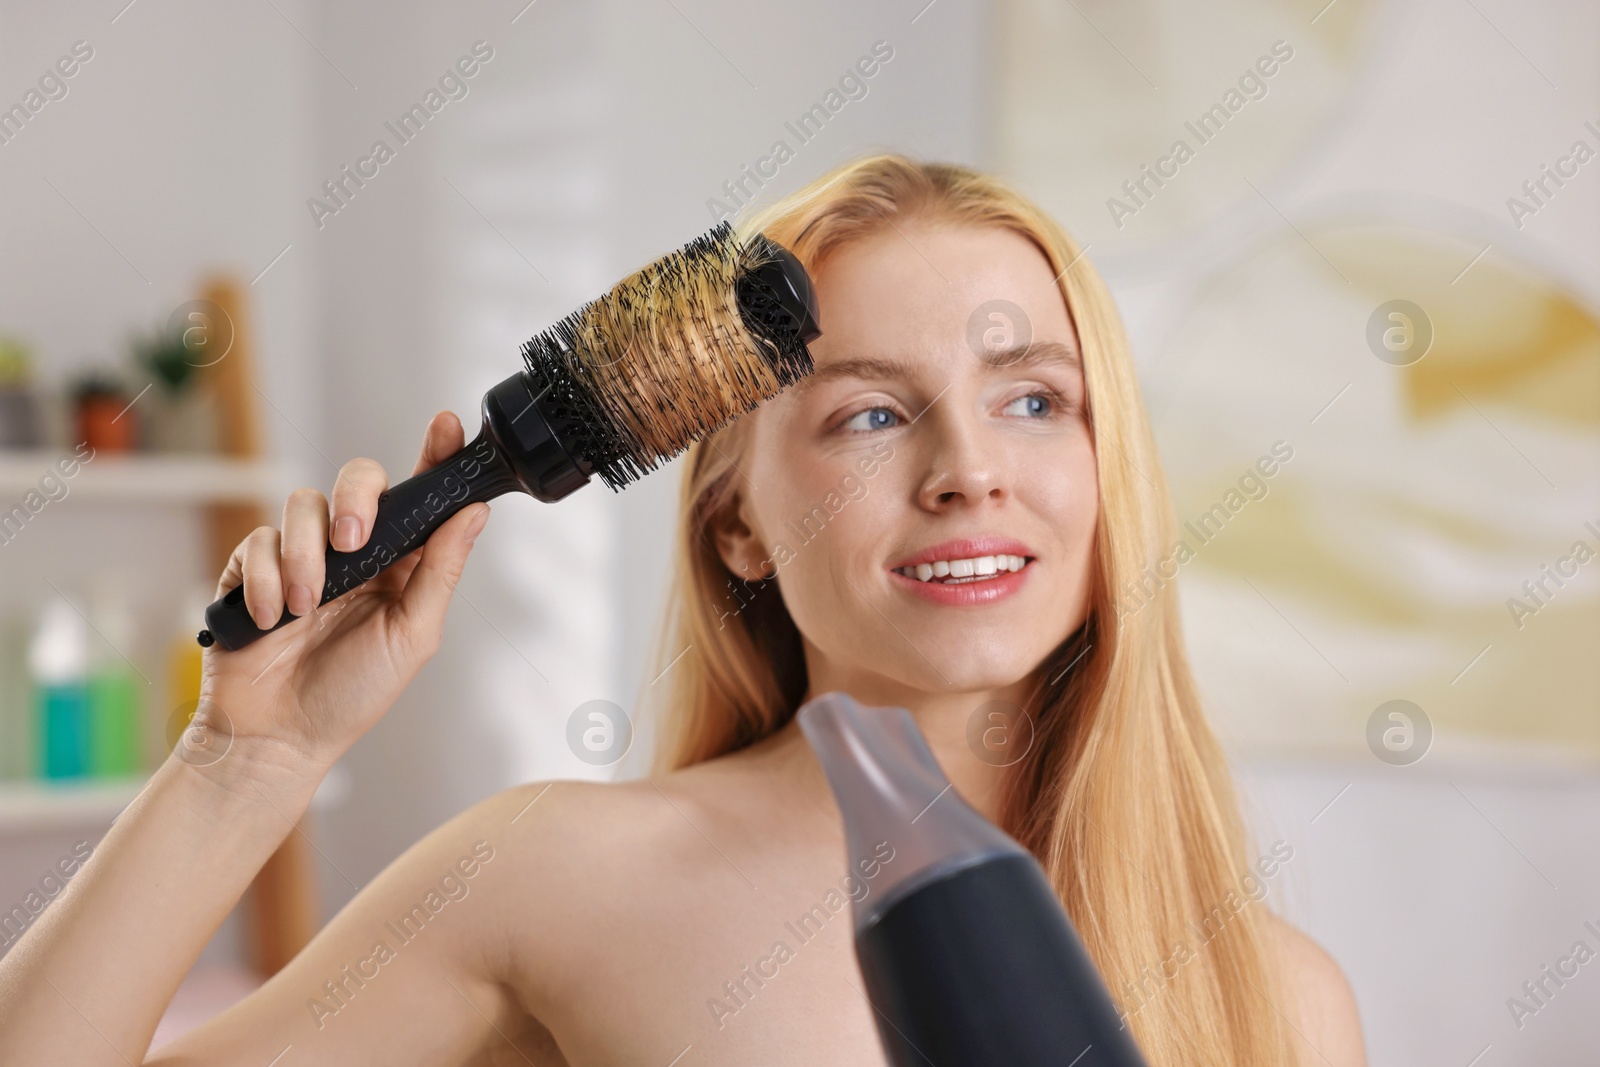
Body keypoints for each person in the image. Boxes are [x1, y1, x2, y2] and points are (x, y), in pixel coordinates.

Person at [0, 155, 1366, 1066]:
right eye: (872, 413)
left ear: (1106, 468)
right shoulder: (561, 878)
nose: (969, 471)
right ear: (738, 527)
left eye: (1034, 398)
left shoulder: (1276, 1003)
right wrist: (244, 766)